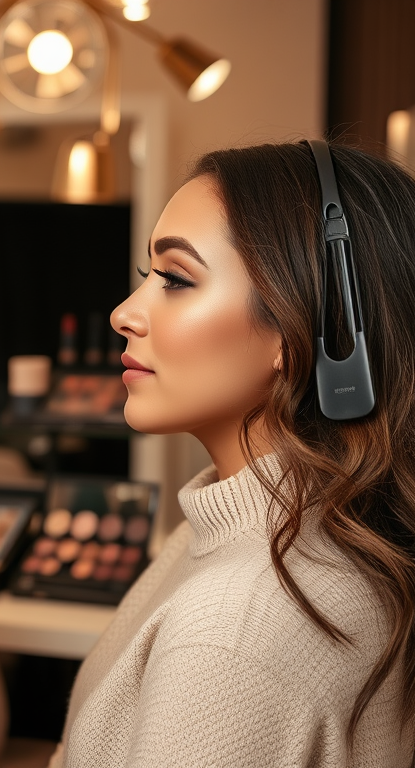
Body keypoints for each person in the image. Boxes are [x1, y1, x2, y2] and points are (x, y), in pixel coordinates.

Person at [50, 140, 415, 767]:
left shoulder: (234, 630)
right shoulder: (263, 538)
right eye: (148, 276)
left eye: (175, 279)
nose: (123, 314)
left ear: (312, 328)